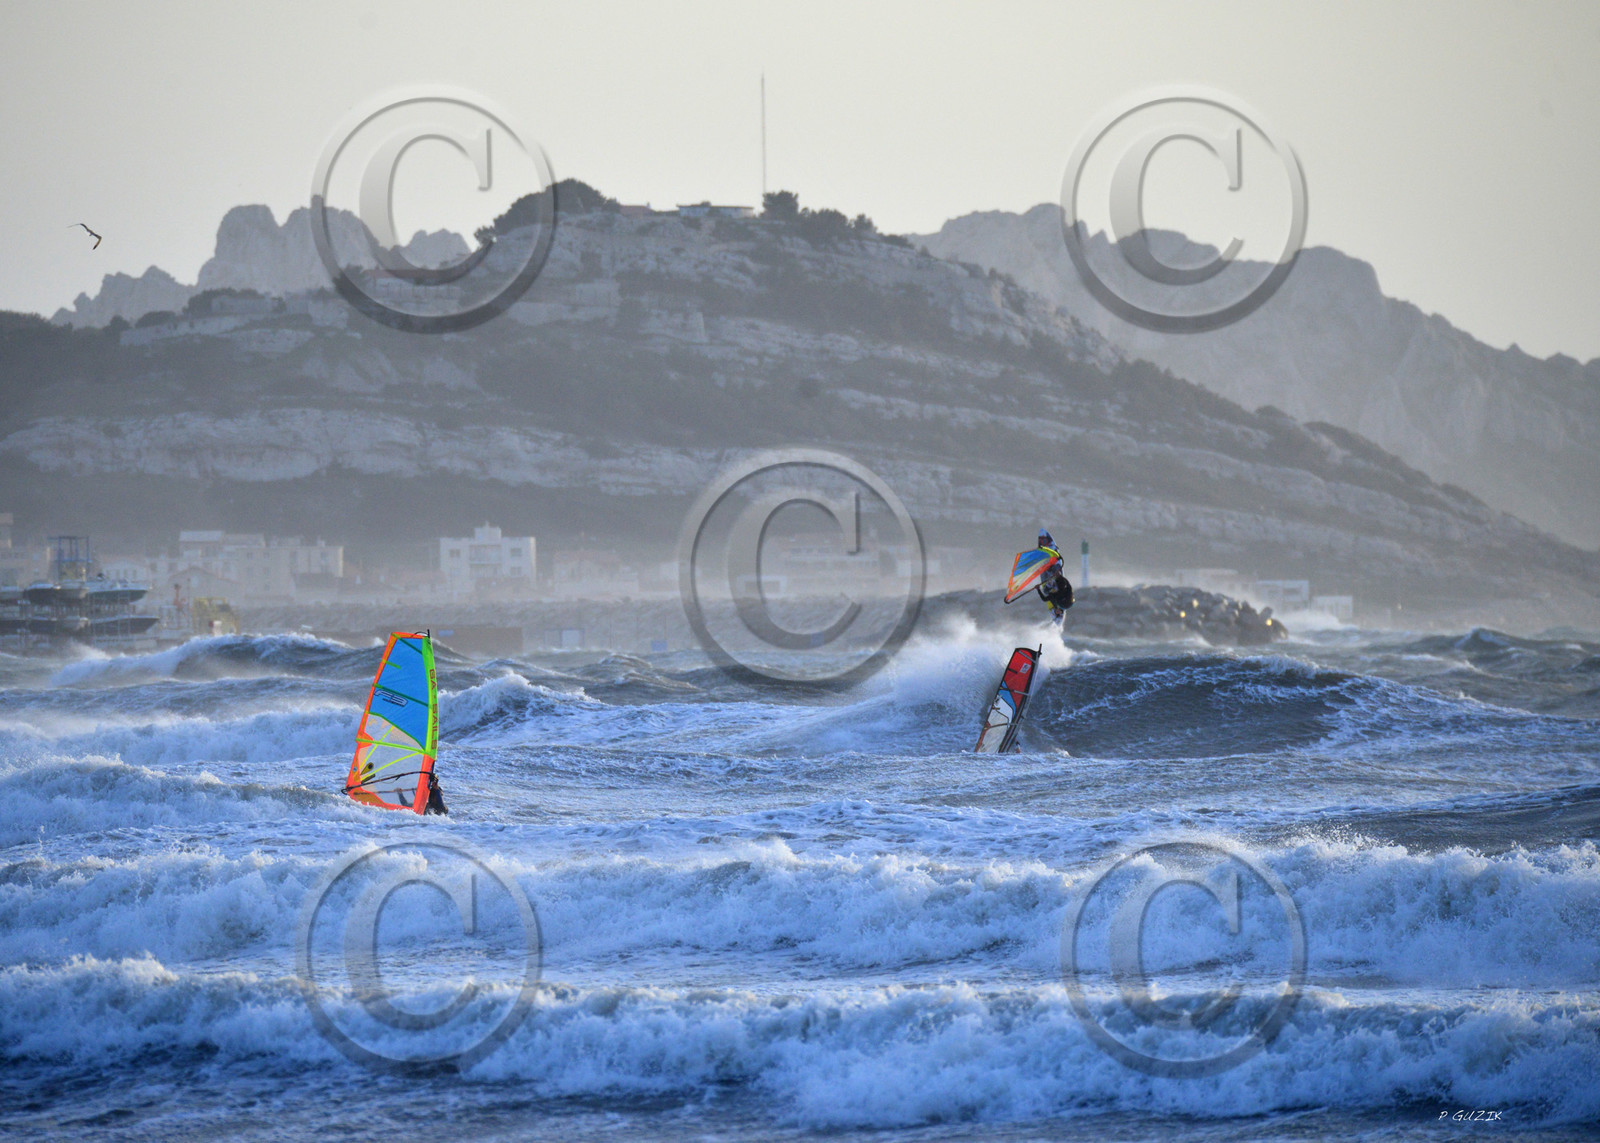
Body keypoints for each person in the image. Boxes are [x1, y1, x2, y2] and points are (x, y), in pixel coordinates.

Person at [1034, 528, 1074, 621]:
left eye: (1057, 613)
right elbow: (1069, 587)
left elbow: (1044, 598)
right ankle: (1052, 561)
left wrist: (1038, 589)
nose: (1058, 611)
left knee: (1048, 590)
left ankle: (1048, 567)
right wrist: (1060, 577)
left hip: (1049, 586)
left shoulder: (1054, 598)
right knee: (1057, 580)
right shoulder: (1063, 596)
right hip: (1059, 584)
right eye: (1059, 612)